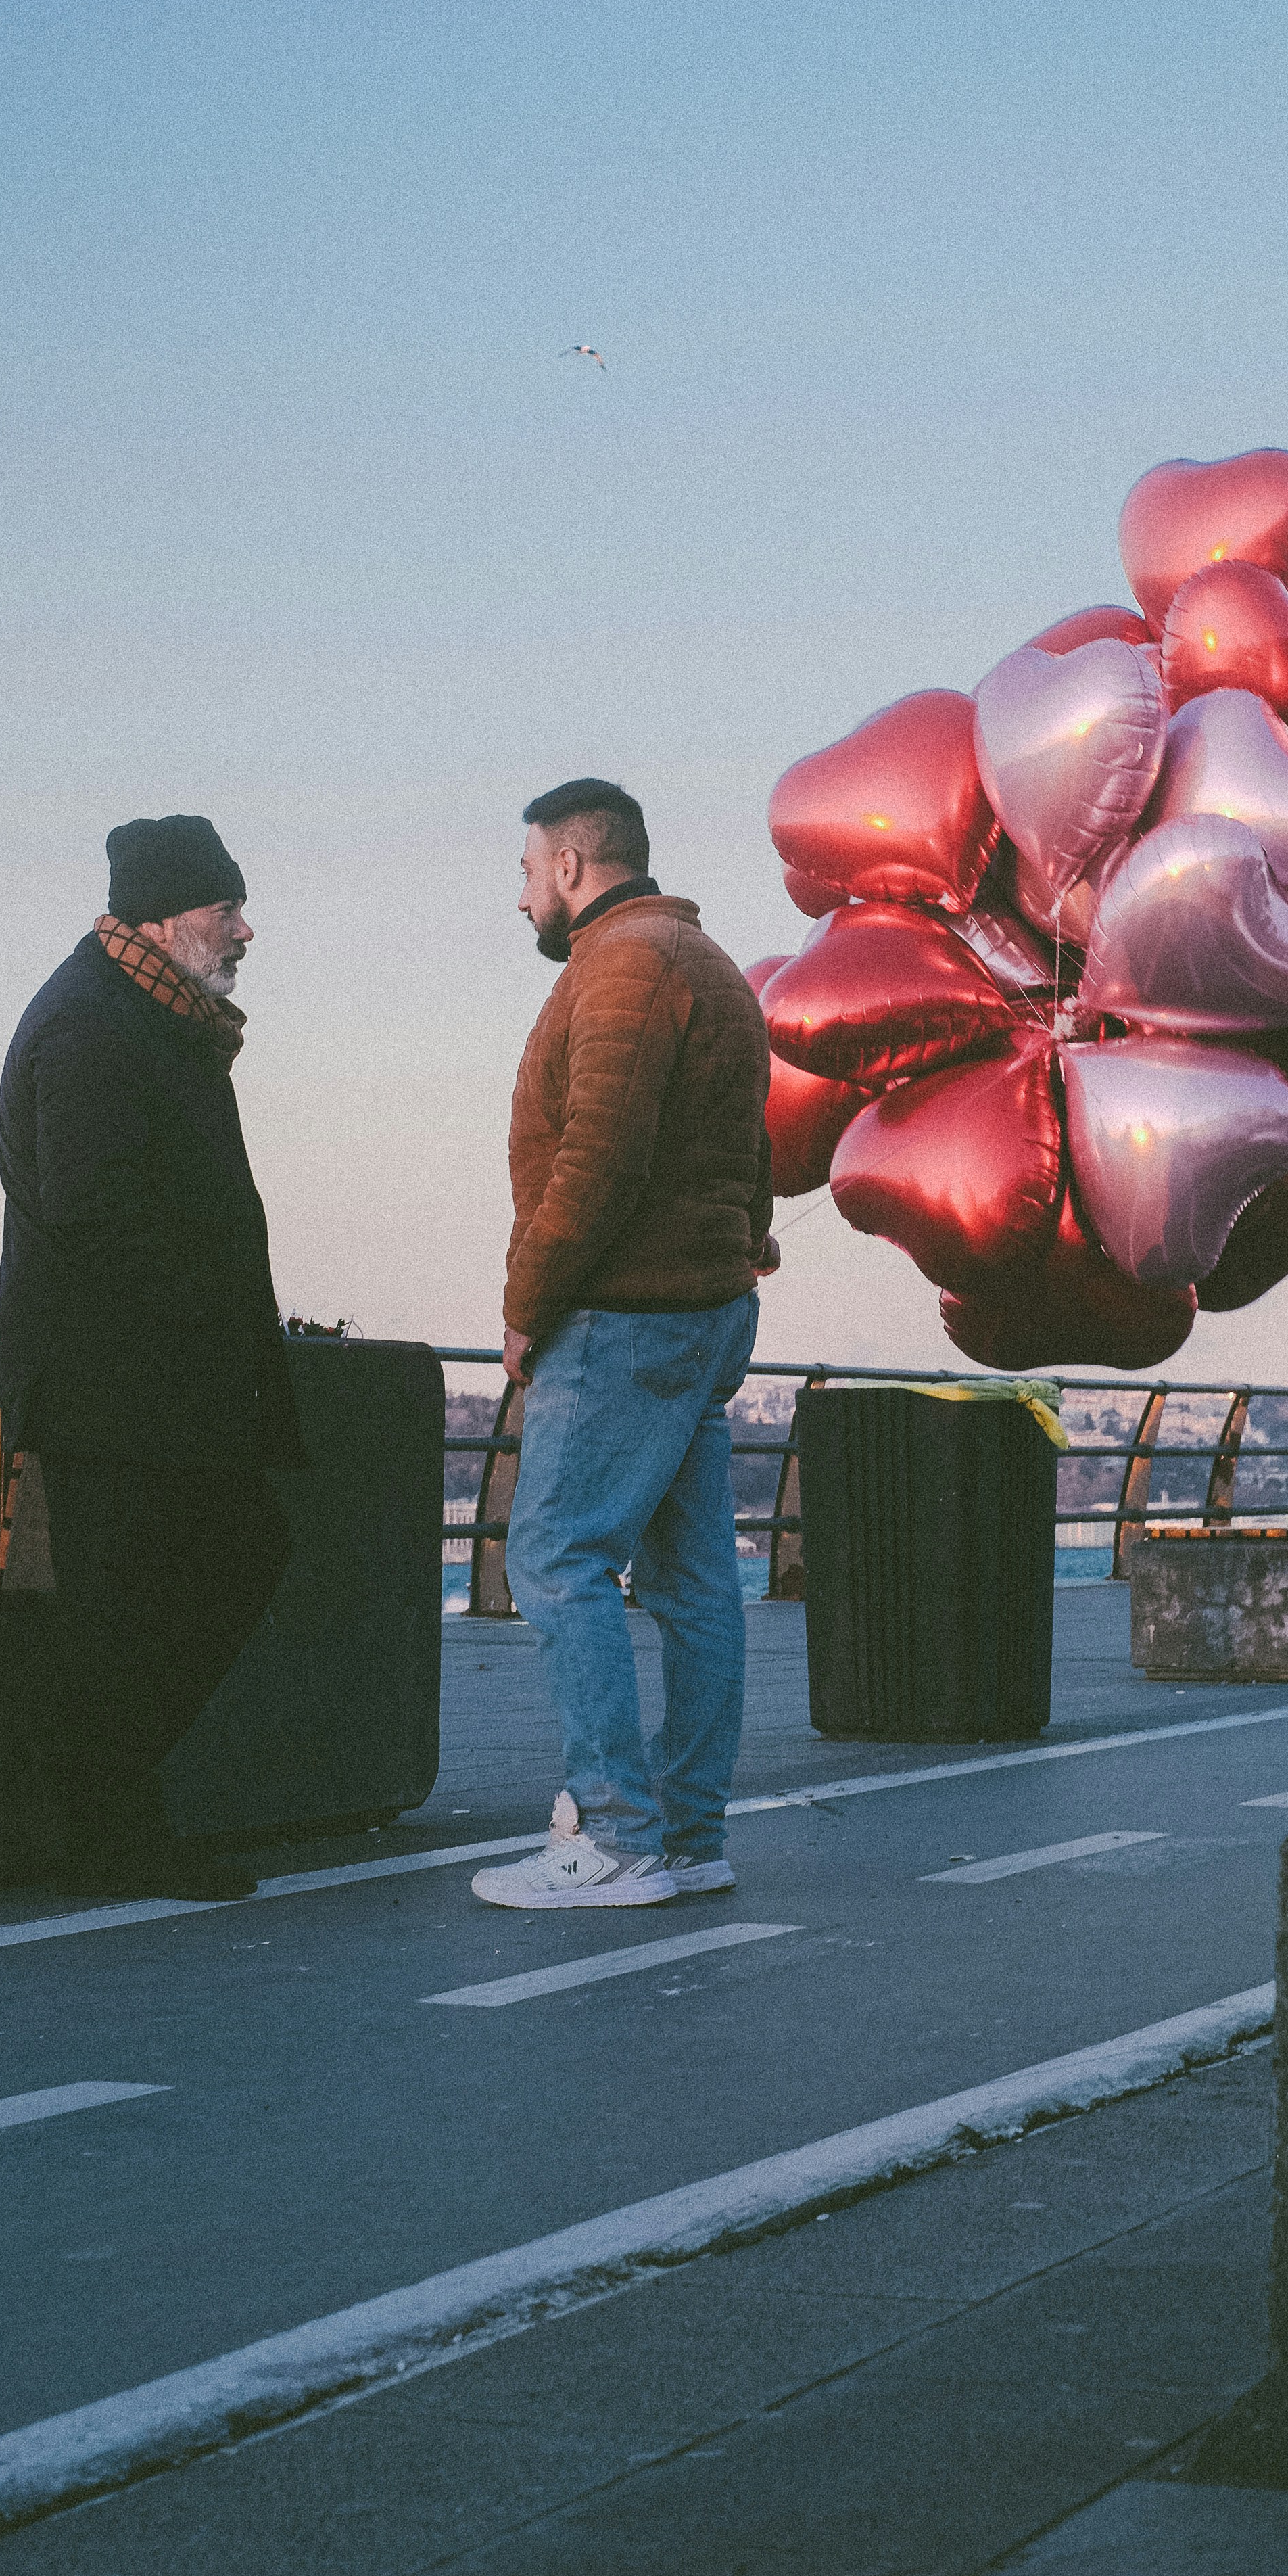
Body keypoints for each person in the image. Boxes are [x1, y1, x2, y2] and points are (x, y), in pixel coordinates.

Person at [474, 778, 777, 1915]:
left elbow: (595, 1158)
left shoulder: (622, 968)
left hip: (623, 1316)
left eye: (522, 872)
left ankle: (613, 1836)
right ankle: (689, 1838)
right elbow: (755, 1144)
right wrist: (743, 1242)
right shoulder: (707, 963)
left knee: (552, 1558)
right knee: (695, 1586)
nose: (518, 900)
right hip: (702, 1314)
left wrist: (524, 1301)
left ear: (568, 865)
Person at [0, 815, 302, 1900]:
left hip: (148, 1385)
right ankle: (109, 1822)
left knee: (190, 1574)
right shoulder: (91, 1023)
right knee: (148, 1594)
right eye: (228, 909)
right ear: (171, 916)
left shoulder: (141, 1010)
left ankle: (111, 1814)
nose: (246, 930)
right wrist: (207, 1313)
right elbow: (94, 1209)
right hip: (116, 1389)